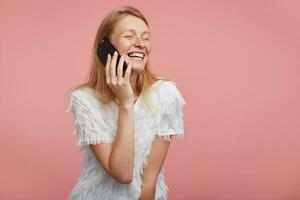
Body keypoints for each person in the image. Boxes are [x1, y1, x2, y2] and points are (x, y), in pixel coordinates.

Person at [65, 6, 186, 200]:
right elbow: (122, 174)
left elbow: (148, 180)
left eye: (145, 38)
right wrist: (126, 104)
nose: (140, 43)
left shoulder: (166, 95)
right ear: (106, 48)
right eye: (129, 36)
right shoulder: (84, 99)